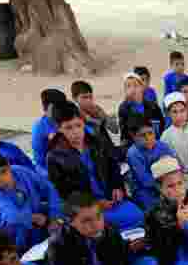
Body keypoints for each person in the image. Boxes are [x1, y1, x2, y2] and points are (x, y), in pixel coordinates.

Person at [47, 192, 158, 265]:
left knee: (149, 263)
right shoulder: (58, 244)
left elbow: (120, 258)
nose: (96, 224)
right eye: (86, 221)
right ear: (70, 222)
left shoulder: (108, 229)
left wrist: (130, 249)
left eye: (99, 216)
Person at [47, 101, 142, 232]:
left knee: (138, 216)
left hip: (111, 202)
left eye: (78, 125)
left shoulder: (96, 141)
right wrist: (95, 204)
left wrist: (117, 187)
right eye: (68, 128)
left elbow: (113, 166)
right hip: (86, 211)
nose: (76, 132)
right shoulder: (55, 157)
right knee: (104, 229)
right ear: (58, 129)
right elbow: (67, 194)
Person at [0, 147, 64, 255]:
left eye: (4, 171)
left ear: (8, 164)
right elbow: (13, 216)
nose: (2, 179)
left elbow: (49, 189)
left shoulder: (21, 171)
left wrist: (54, 216)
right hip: (17, 239)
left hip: (43, 227)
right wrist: (34, 217)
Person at [126, 115, 177, 211]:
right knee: (157, 211)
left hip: (166, 183)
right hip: (144, 189)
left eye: (150, 133)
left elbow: (175, 166)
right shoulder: (133, 153)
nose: (148, 138)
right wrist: (164, 191)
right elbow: (145, 180)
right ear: (133, 137)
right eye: (142, 135)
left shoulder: (162, 146)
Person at [117, 72, 165, 149]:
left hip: (155, 145)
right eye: (128, 86)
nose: (132, 89)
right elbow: (124, 135)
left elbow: (161, 127)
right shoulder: (123, 109)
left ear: (142, 87)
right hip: (135, 148)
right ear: (125, 90)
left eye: (135, 85)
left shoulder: (153, 106)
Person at [71, 80, 118, 150]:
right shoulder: (74, 114)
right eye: (84, 97)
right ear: (75, 99)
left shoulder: (96, 109)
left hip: (105, 149)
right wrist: (95, 121)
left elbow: (115, 129)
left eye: (90, 97)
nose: (88, 100)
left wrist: (102, 117)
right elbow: (92, 135)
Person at [32, 88, 67, 175]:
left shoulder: (64, 119)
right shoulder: (40, 128)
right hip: (51, 172)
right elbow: (40, 162)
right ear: (51, 107)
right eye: (61, 106)